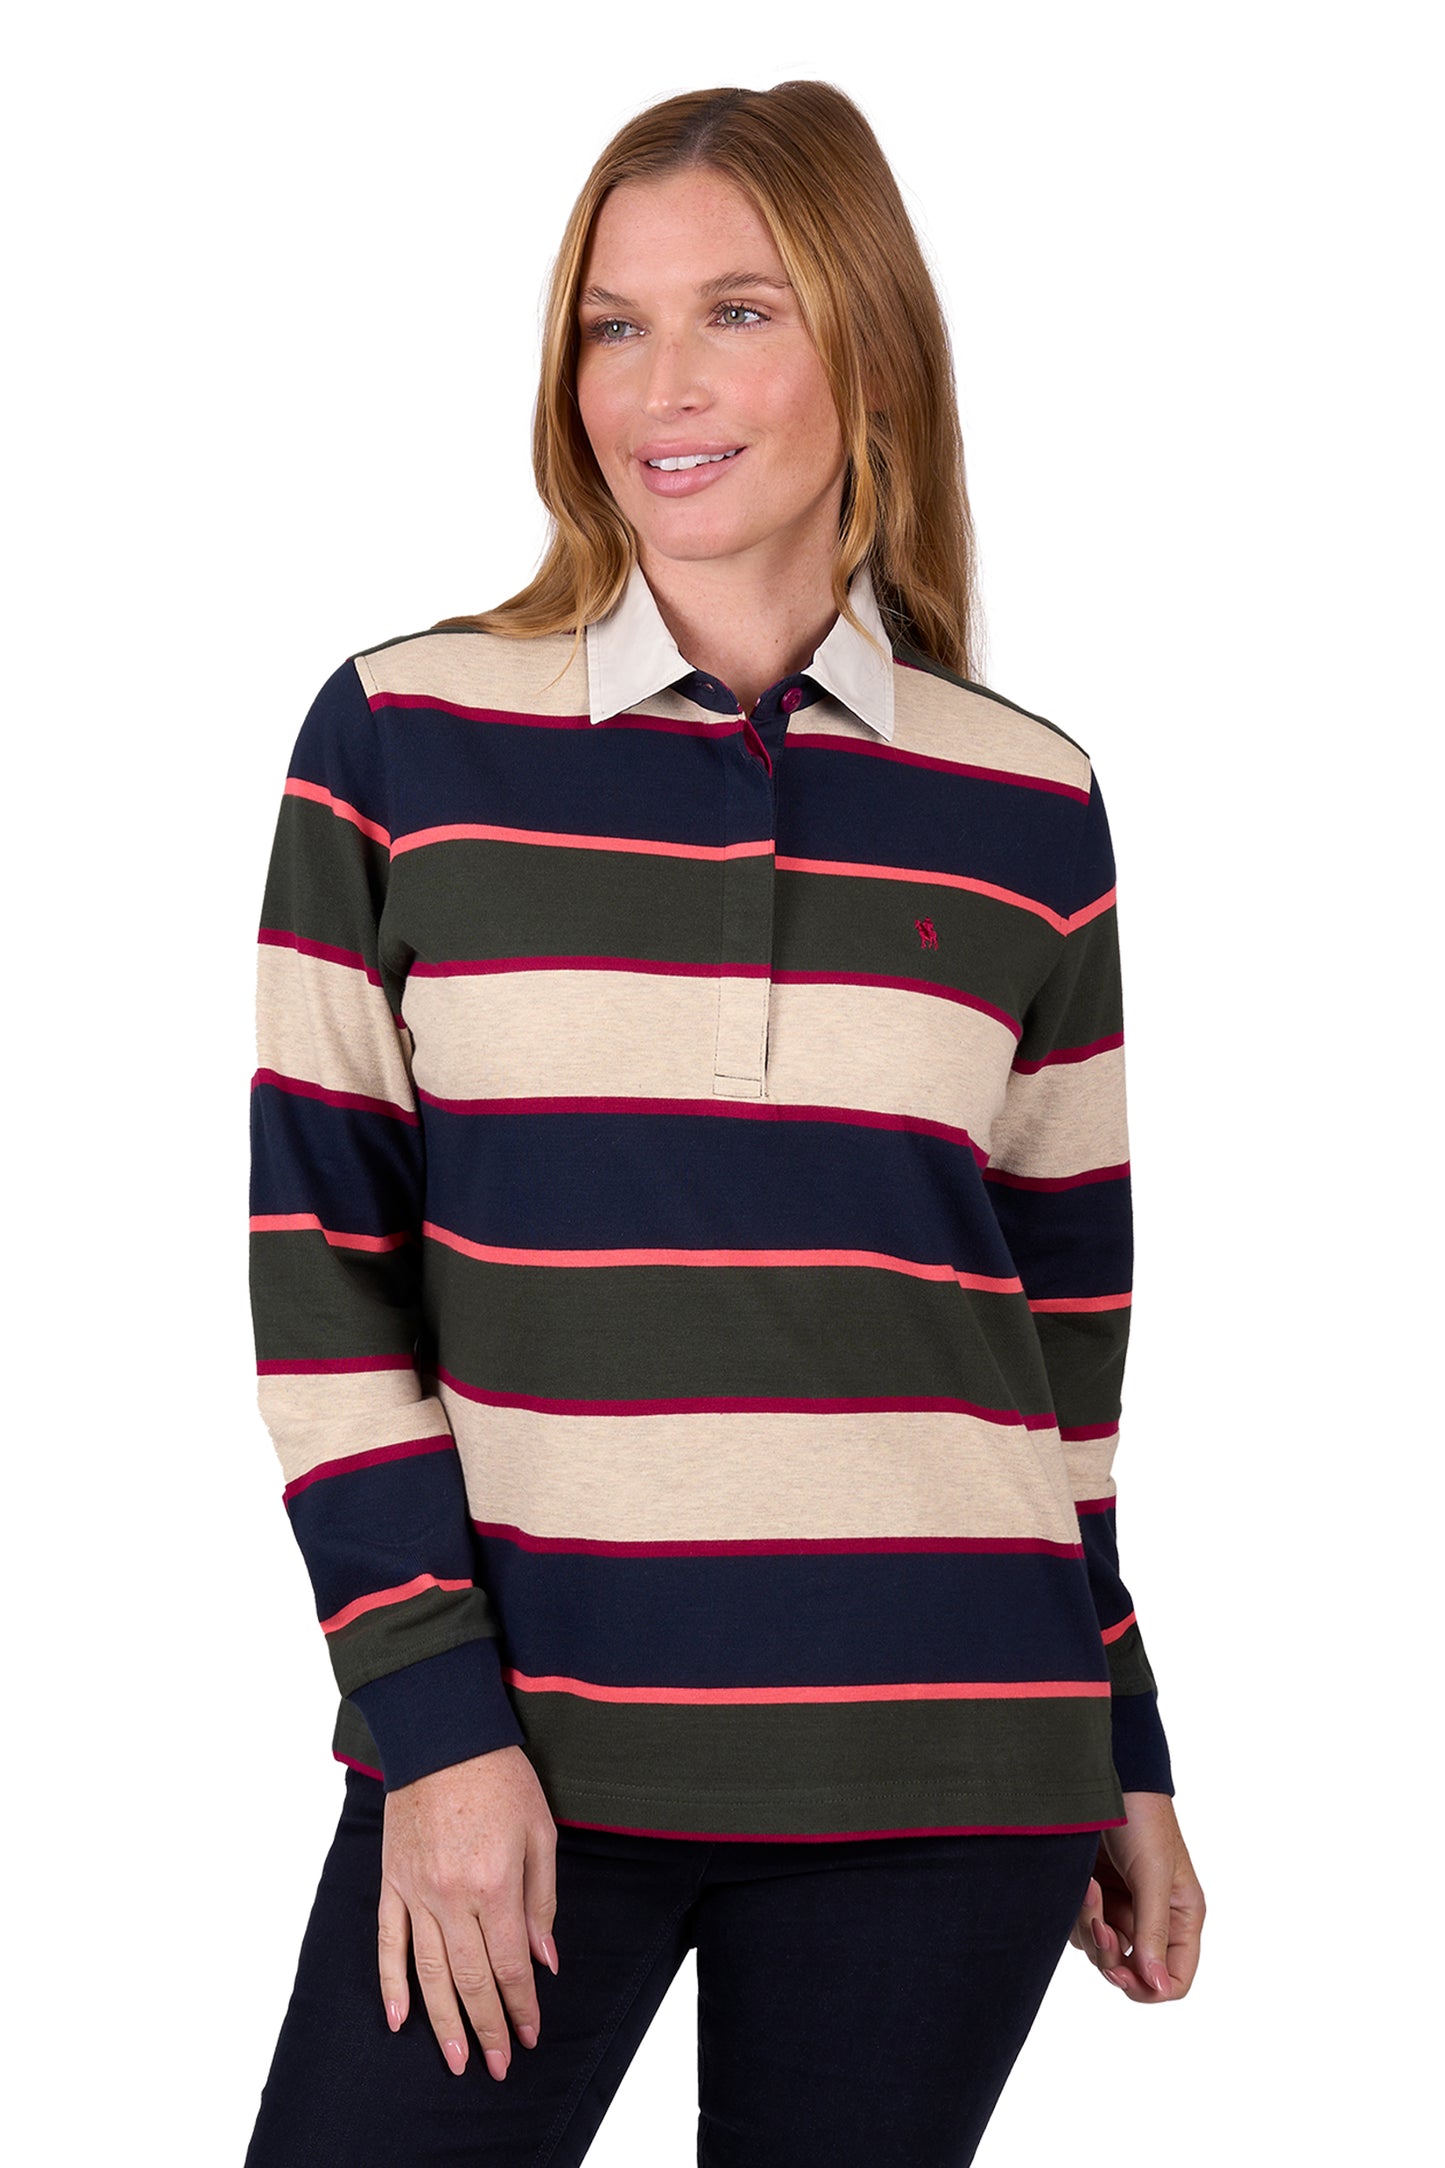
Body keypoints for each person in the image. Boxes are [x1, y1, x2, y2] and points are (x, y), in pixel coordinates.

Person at [244, 77, 1205, 2168]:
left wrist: (1124, 1735)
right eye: (614, 324)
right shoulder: (403, 740)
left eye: (737, 313)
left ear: (868, 344)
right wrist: (435, 1733)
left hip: (949, 1768)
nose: (657, 386)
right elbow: (322, 1287)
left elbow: (1063, 1353)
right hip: (528, 1753)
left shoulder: (1028, 799)